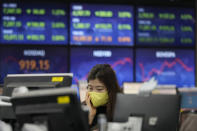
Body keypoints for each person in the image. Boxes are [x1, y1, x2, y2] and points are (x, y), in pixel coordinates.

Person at [85, 64, 121, 130]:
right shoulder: (82, 109)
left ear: (110, 89)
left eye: (99, 89)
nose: (94, 92)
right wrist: (90, 116)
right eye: (90, 88)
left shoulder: (122, 108)